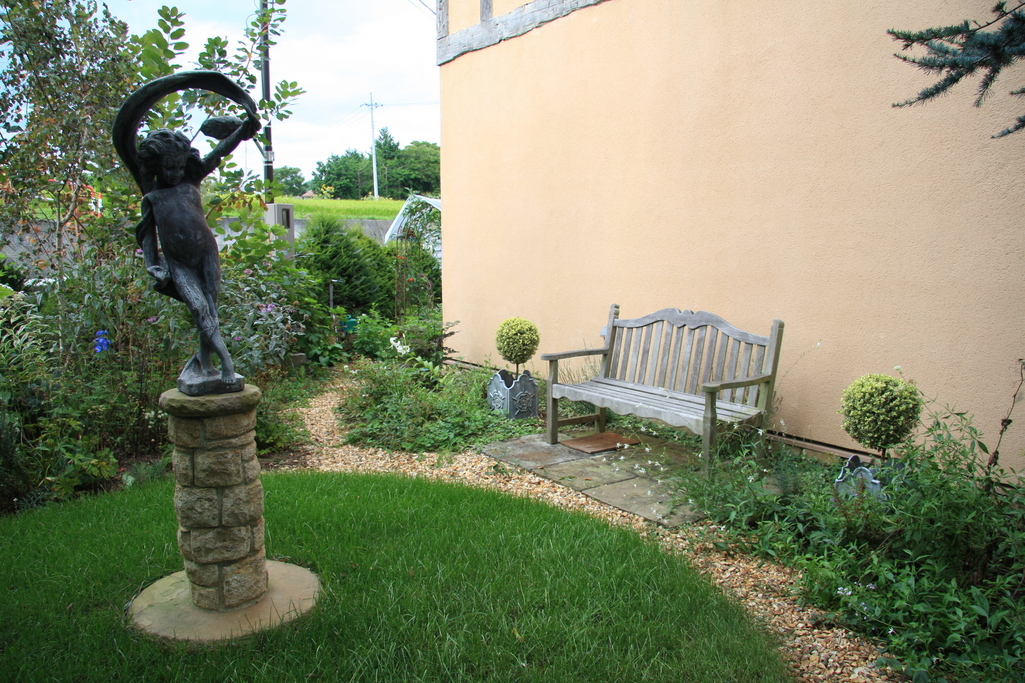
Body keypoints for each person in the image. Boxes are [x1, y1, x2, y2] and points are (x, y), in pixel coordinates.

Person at [113, 72, 260, 395]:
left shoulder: (192, 181)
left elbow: (219, 151)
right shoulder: (152, 196)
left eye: (179, 167)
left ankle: (205, 363)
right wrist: (153, 265)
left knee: (211, 308)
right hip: (178, 263)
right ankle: (226, 365)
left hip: (206, 252)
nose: (175, 173)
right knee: (199, 308)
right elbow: (147, 236)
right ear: (155, 166)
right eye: (169, 168)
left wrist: (244, 127)